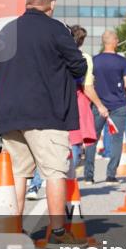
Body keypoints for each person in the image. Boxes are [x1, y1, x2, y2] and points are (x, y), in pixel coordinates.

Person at [0, 0, 87, 247]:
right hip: (46, 113)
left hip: (10, 114)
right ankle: (58, 233)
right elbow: (78, 66)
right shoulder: (55, 29)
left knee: (19, 174)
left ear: (27, 2)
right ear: (51, 3)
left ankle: (14, 231)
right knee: (55, 171)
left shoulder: (6, 31)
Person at [28, 25, 103, 199]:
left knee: (48, 146)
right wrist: (99, 105)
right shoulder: (84, 58)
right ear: (82, 41)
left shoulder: (53, 55)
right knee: (74, 144)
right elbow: (88, 86)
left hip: (51, 103)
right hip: (75, 103)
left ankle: (35, 185)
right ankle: (61, 182)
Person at [82, 30, 126, 184]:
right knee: (117, 140)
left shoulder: (94, 60)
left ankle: (88, 176)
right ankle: (111, 175)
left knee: (92, 139)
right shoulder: (122, 62)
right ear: (115, 41)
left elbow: (88, 83)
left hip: (98, 104)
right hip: (118, 105)